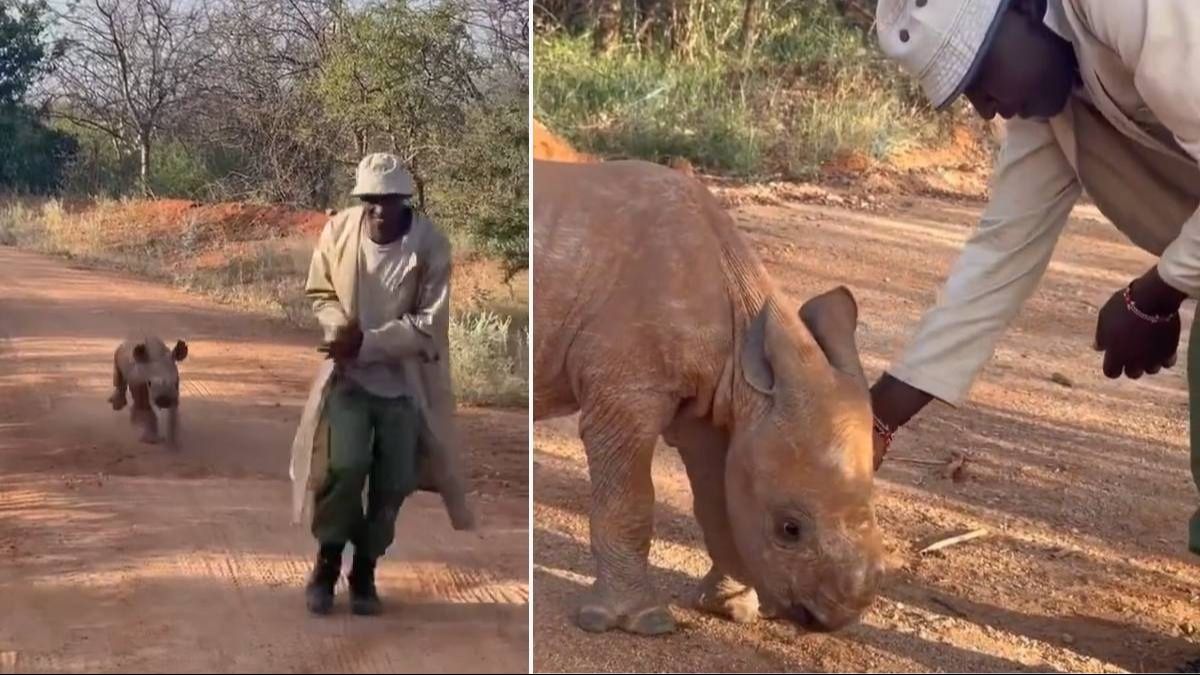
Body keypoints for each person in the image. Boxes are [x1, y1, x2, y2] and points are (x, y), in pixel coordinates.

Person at [870, 0, 1200, 561]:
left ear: (1022, 8)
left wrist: (1155, 294)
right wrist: (876, 416)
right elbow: (999, 256)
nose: (984, 109)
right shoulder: (1052, 106)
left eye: (979, 77)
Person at [290, 151, 473, 616]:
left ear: (404, 199)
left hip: (404, 385)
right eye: (369, 198)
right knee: (344, 469)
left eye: (387, 199)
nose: (377, 208)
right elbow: (320, 291)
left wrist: (367, 342)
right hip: (349, 380)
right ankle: (327, 565)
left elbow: (430, 325)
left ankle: (366, 568)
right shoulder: (339, 231)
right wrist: (338, 330)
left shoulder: (430, 244)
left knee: (393, 483)